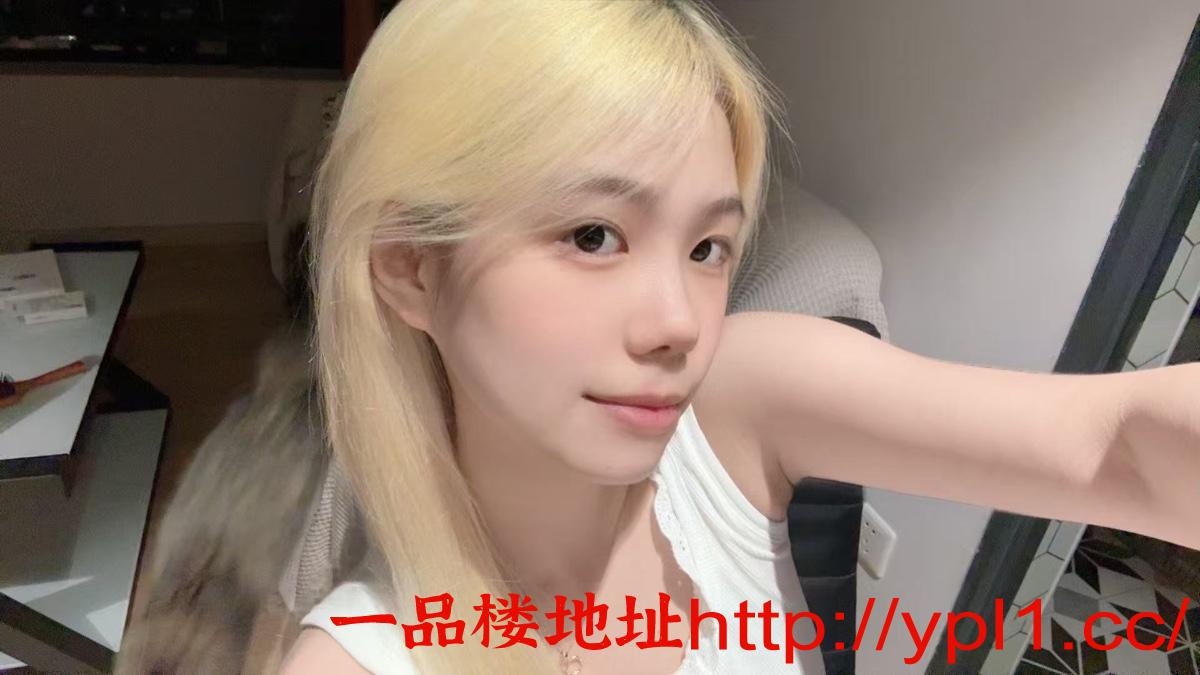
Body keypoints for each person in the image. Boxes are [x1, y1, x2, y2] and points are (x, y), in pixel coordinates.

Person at [123, 1, 1200, 674]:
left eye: (708, 248)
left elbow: (1115, 443)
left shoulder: (742, 404)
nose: (682, 322)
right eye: (593, 235)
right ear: (411, 269)